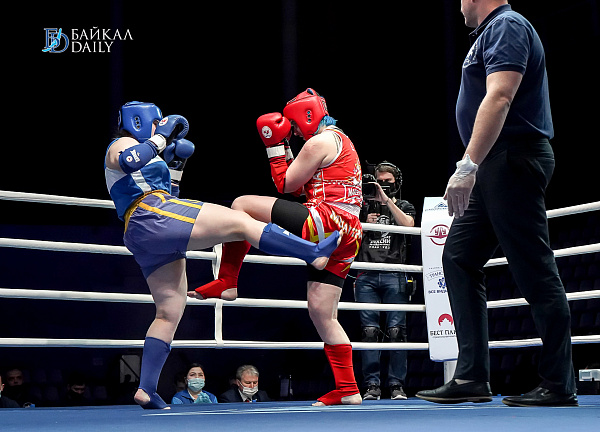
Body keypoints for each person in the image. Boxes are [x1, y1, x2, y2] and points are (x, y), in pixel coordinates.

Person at [105, 101, 343, 409]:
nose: (158, 127)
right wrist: (161, 139)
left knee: (168, 312)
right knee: (242, 220)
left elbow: (170, 192)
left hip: (149, 230)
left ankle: (147, 389)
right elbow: (127, 162)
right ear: (139, 121)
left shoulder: (149, 152)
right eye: (155, 123)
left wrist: (176, 165)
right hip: (151, 214)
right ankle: (311, 252)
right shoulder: (121, 144)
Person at [416, 0, 577, 407]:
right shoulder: (488, 33)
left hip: (512, 157)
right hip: (495, 161)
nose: (458, 5)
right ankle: (471, 375)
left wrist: (467, 165)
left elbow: (501, 96)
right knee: (458, 257)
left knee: (533, 266)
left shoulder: (507, 26)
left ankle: (559, 382)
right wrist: (475, 165)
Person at [191, 89, 364, 406]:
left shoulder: (319, 142)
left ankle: (228, 280)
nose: (294, 131)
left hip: (326, 221)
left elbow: (285, 184)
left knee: (241, 205)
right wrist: (284, 146)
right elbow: (299, 188)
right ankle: (349, 389)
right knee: (322, 312)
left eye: (294, 126)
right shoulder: (340, 139)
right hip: (349, 232)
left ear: (307, 117)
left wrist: (273, 146)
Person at [354, 162, 415, 401]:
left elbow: (408, 225)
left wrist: (386, 201)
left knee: (396, 331)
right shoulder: (361, 207)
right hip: (366, 274)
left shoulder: (403, 205)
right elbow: (346, 233)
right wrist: (364, 223)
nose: (383, 186)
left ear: (396, 184)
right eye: (379, 182)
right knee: (369, 331)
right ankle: (372, 385)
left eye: (387, 182)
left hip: (394, 273)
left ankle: (396, 385)